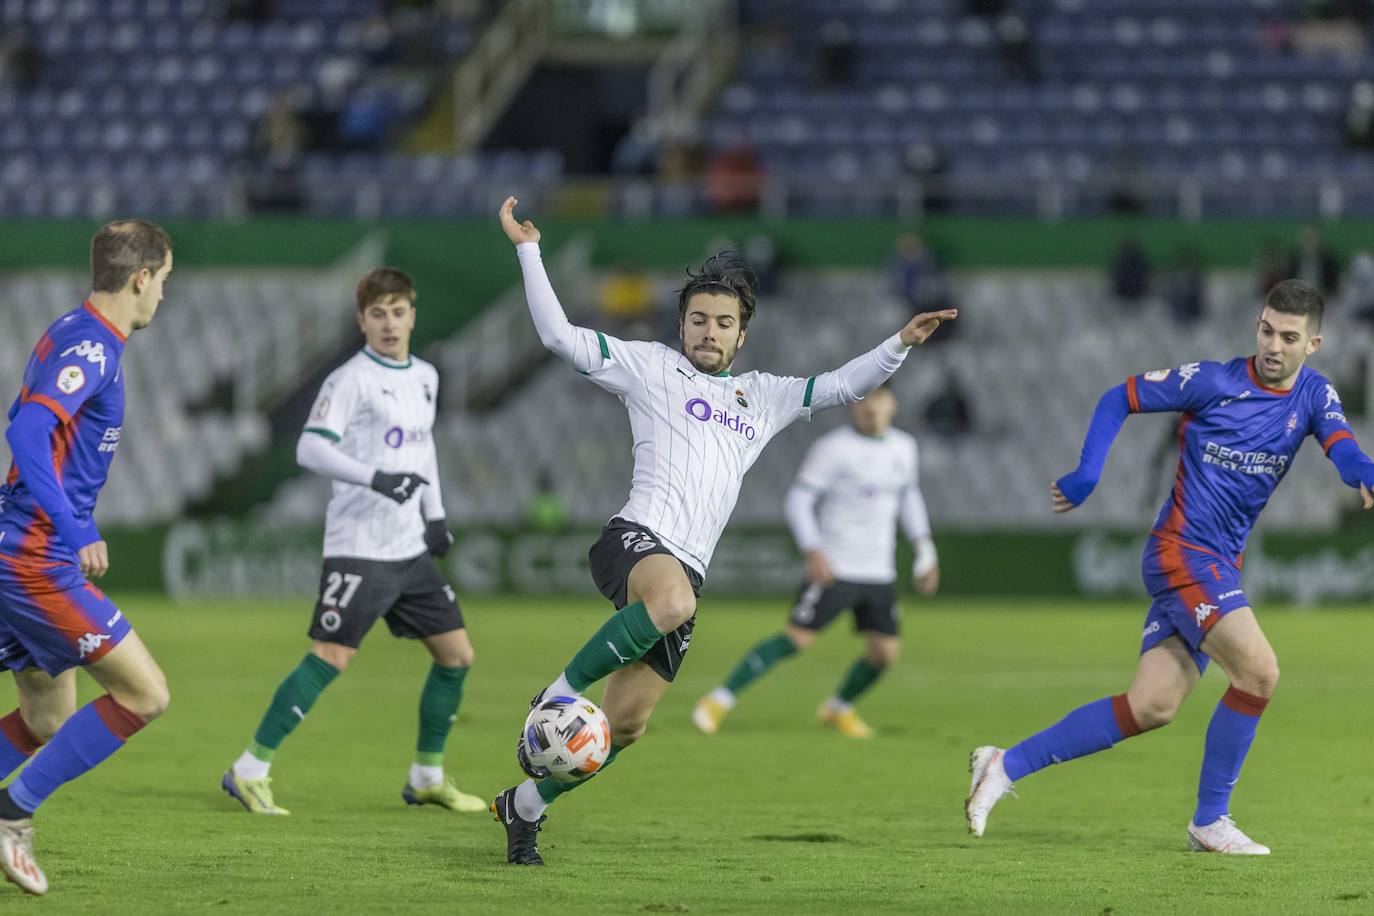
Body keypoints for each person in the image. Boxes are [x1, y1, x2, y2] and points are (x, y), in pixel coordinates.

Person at [492, 196, 956, 865]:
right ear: (681, 325)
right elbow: (559, 336)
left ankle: (525, 807)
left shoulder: (761, 397)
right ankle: (558, 693)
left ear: (742, 337)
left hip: (688, 568)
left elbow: (840, 387)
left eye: (724, 323)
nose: (709, 331)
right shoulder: (649, 367)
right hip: (635, 539)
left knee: (626, 726)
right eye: (698, 319)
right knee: (671, 601)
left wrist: (899, 346)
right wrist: (529, 249)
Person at [965, 279, 1374, 855]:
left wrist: (1362, 471)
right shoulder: (1213, 381)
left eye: (1289, 337)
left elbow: (1342, 445)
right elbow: (1119, 397)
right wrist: (1087, 472)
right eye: (1265, 330)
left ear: (1314, 344)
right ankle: (1211, 821)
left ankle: (1005, 764)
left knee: (1151, 705)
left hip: (1218, 565)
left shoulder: (1313, 395)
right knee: (1258, 673)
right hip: (1181, 552)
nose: (1273, 346)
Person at [222, 268, 483, 817]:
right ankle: (249, 770)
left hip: (409, 547)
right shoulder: (350, 380)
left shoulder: (427, 376)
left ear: (413, 314)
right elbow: (310, 450)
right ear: (361, 321)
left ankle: (427, 777)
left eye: (398, 311)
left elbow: (422, 447)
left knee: (456, 655)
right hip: (360, 544)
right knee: (331, 656)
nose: (390, 323)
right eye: (378, 314)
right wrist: (376, 478)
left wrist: (434, 515)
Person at [0, 220, 176, 895]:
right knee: (144, 693)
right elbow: (25, 428)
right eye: (162, 282)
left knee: (45, 715)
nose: (162, 295)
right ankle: (12, 815)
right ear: (140, 279)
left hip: (20, 545)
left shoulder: (71, 328)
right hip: (38, 559)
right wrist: (74, 530)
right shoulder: (94, 349)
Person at [692, 384, 939, 738]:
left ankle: (838, 708)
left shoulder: (904, 447)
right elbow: (797, 500)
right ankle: (718, 700)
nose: (872, 407)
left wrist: (925, 549)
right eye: (864, 399)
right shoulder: (833, 448)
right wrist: (813, 550)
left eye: (879, 399)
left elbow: (909, 496)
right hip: (836, 566)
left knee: (884, 652)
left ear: (893, 404)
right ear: (851, 407)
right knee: (796, 639)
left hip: (878, 570)